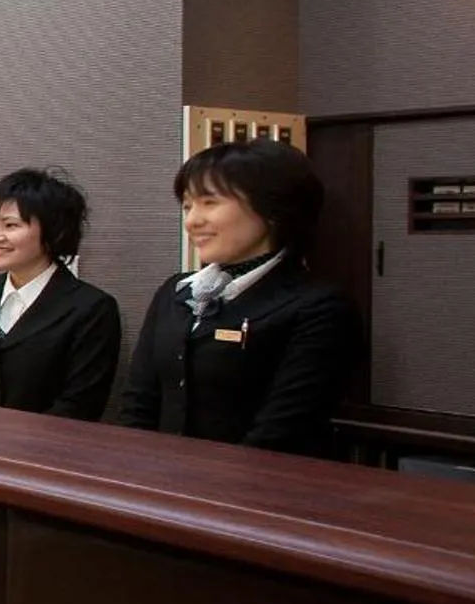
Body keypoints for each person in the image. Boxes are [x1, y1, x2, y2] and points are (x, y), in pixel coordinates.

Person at [119, 139, 362, 457]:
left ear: (272, 210)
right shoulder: (176, 291)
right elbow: (139, 402)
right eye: (187, 205)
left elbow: (282, 433)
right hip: (161, 487)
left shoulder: (320, 307)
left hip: (258, 493)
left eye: (209, 202)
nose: (192, 220)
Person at [0, 168, 122, 420]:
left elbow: (80, 404)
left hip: (47, 452)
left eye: (10, 225)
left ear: (52, 232)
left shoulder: (91, 309)